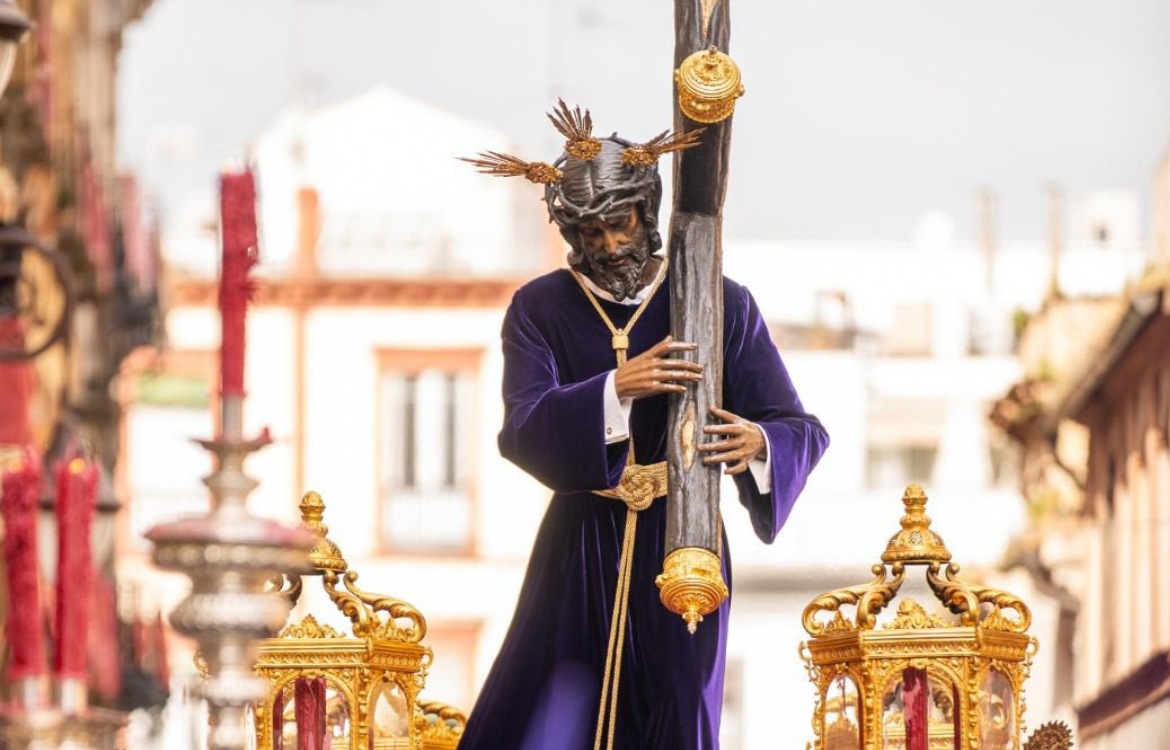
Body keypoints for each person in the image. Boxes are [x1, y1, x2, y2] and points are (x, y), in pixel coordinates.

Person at [458, 105, 829, 750]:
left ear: (646, 209)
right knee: (558, 701)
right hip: (580, 540)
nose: (607, 245)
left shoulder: (722, 301)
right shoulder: (539, 308)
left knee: (679, 701)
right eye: (590, 230)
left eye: (619, 223)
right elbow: (522, 428)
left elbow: (800, 426)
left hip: (684, 537)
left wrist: (759, 443)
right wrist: (614, 390)